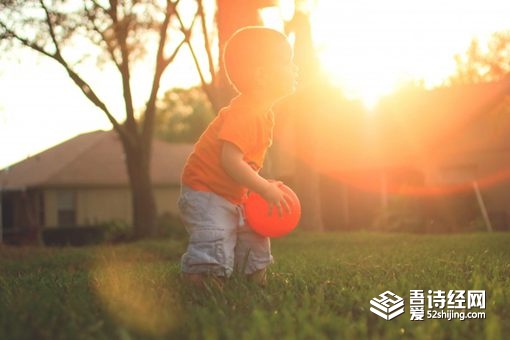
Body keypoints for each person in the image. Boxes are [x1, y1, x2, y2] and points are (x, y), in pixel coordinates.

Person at [178, 26, 298, 288]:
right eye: (287, 62)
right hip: (206, 190)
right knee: (216, 237)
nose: (295, 68)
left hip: (231, 191)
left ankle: (253, 283)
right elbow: (229, 161)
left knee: (254, 234)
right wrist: (264, 187)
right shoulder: (246, 113)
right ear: (262, 76)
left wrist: (257, 186)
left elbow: (243, 163)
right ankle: (202, 284)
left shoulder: (263, 113)